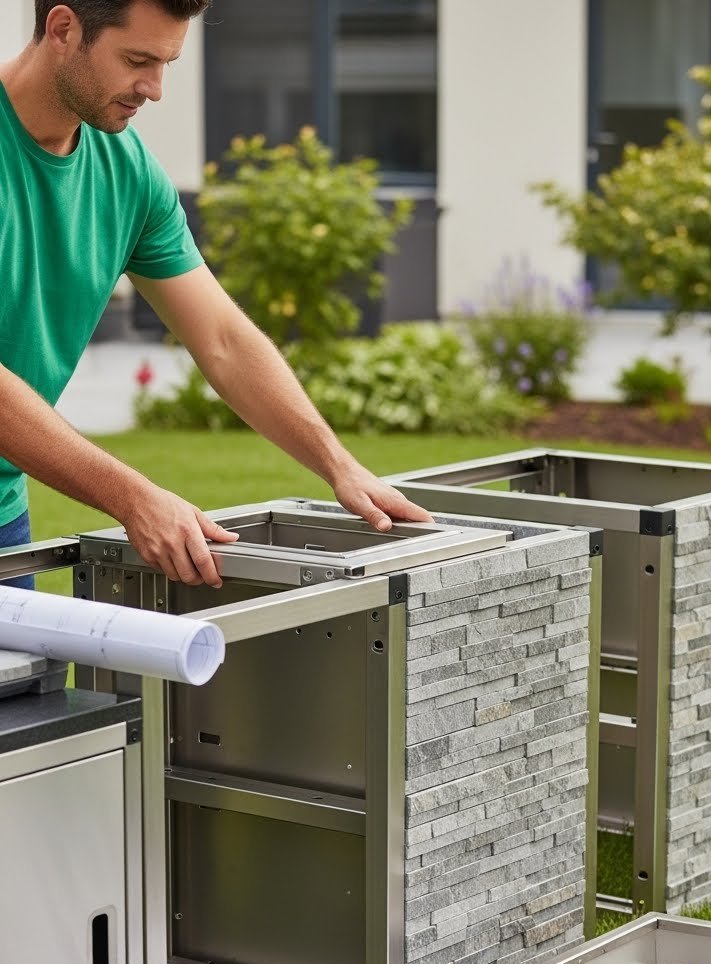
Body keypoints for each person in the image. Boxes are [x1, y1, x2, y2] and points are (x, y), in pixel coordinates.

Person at [0, 0, 431, 591]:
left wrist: (341, 468)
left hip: (4, 518)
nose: (153, 89)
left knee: (27, 687)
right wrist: (135, 498)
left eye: (166, 64)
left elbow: (224, 340)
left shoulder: (129, 175)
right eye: (137, 60)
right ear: (63, 28)